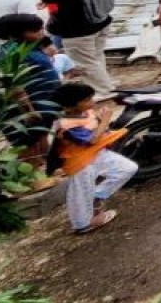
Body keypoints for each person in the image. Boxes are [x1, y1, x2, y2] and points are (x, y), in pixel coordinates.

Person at [49, 82, 136, 234]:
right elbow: (92, 140)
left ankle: (97, 195)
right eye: (87, 100)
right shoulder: (66, 125)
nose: (92, 102)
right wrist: (105, 120)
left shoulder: (86, 113)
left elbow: (98, 132)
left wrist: (101, 121)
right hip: (80, 163)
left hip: (96, 154)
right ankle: (83, 225)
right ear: (70, 107)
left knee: (128, 168)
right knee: (81, 192)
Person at [0, 13, 62, 191]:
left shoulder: (30, 46)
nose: (41, 32)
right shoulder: (12, 52)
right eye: (35, 30)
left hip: (44, 101)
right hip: (28, 105)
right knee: (28, 142)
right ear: (17, 32)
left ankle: (45, 168)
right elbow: (15, 85)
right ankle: (32, 180)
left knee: (40, 135)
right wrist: (29, 109)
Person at [38, 0, 113, 100]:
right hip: (101, 24)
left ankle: (102, 90)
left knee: (84, 61)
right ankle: (106, 84)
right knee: (96, 57)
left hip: (78, 32)